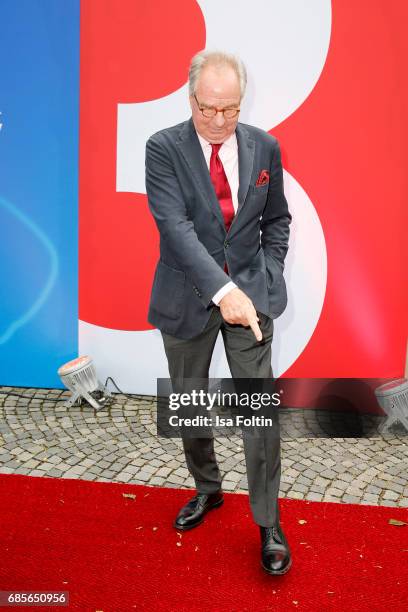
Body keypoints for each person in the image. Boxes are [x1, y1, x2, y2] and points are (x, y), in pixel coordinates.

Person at [145, 50, 292, 575]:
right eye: (208, 108)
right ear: (191, 99)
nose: (218, 121)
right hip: (187, 294)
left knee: (259, 412)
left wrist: (266, 274)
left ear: (241, 101)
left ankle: (268, 521)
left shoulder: (265, 147)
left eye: (229, 109)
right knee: (189, 403)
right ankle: (208, 490)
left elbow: (278, 219)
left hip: (252, 297)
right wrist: (222, 290)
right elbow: (175, 229)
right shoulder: (162, 148)